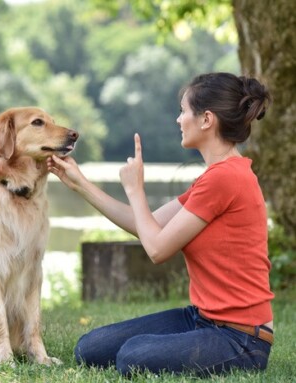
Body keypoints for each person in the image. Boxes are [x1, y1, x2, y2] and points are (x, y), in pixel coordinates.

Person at [47, 72, 274, 377]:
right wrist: (80, 184)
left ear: (206, 119)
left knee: (132, 357)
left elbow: (155, 249)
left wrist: (135, 189)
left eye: (183, 111)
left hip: (242, 338)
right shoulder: (213, 177)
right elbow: (148, 225)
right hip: (203, 319)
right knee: (90, 348)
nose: (178, 120)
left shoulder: (225, 178)